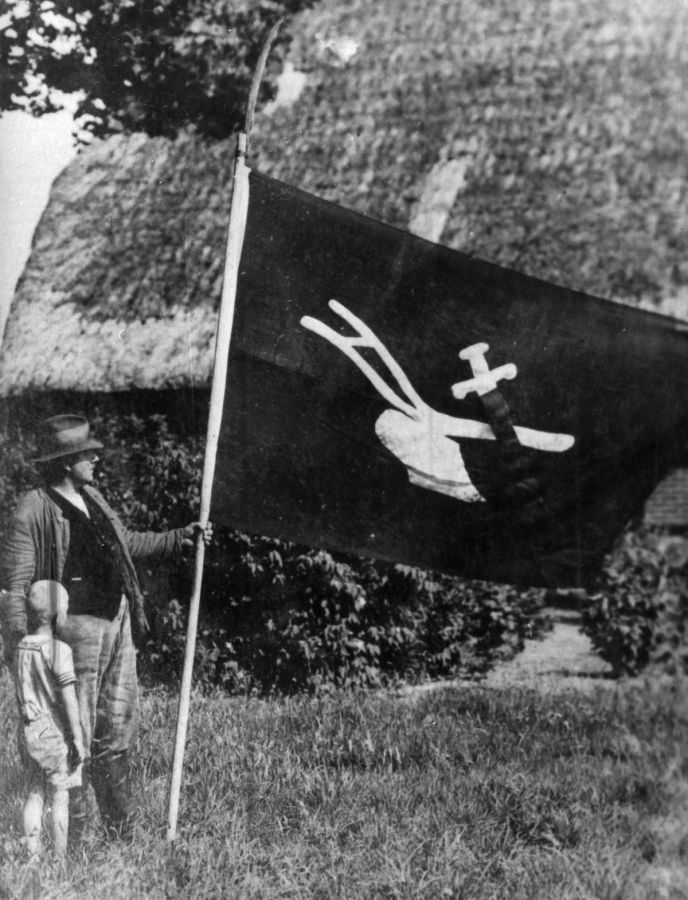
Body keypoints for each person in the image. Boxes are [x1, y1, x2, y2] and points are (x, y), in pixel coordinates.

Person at [0, 414, 212, 841]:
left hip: (116, 623)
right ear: (64, 462)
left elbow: (125, 543)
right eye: (86, 454)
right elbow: (14, 588)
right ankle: (74, 841)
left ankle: (122, 836)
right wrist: (24, 657)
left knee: (117, 730)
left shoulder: (92, 497)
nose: (96, 458)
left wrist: (179, 538)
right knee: (75, 737)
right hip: (73, 633)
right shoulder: (32, 508)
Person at [15, 580, 84, 859]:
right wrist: (77, 737)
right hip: (51, 733)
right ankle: (59, 859)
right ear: (58, 614)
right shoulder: (59, 651)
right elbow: (69, 701)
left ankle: (32, 857)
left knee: (34, 792)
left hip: (26, 730)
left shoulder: (22, 647)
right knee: (59, 795)